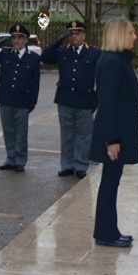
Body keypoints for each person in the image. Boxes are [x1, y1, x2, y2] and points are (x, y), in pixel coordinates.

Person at [89, 17, 138, 248]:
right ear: (119, 35)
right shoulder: (111, 62)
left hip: (120, 130)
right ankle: (105, 234)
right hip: (114, 133)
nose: (135, 37)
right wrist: (112, 139)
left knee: (112, 183)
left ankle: (110, 230)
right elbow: (107, 104)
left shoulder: (118, 60)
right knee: (109, 184)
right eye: (131, 33)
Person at [41, 19, 99, 179]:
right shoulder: (63, 51)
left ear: (84, 35)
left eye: (77, 33)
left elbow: (100, 77)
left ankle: (80, 165)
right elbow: (45, 57)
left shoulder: (94, 53)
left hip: (85, 99)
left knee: (83, 135)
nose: (74, 37)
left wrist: (97, 97)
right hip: (65, 99)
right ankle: (67, 165)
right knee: (67, 133)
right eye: (71, 34)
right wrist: (60, 39)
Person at [0, 22, 41, 173]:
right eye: (14, 38)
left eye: (20, 38)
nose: (16, 41)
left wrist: (32, 101)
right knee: (8, 130)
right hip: (6, 98)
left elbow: (35, 83)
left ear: (26, 40)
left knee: (21, 132)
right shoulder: (6, 53)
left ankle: (20, 160)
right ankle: (10, 158)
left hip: (22, 100)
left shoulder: (33, 58)